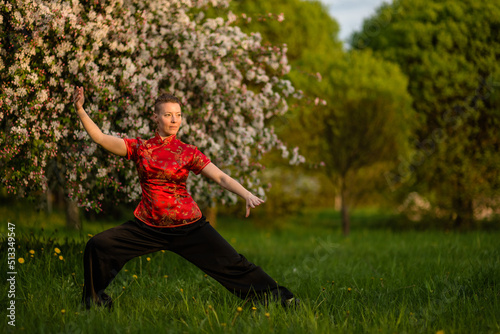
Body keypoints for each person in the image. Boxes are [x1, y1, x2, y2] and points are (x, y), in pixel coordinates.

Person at [72, 87, 296, 310]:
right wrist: (81, 110)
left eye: (178, 115)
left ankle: (279, 299)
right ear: (156, 117)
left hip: (188, 226)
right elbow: (100, 138)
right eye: (168, 114)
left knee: (232, 263)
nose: (174, 120)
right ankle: (95, 304)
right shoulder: (140, 148)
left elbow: (220, 177)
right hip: (148, 226)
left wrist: (246, 194)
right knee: (98, 245)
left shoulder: (187, 151)